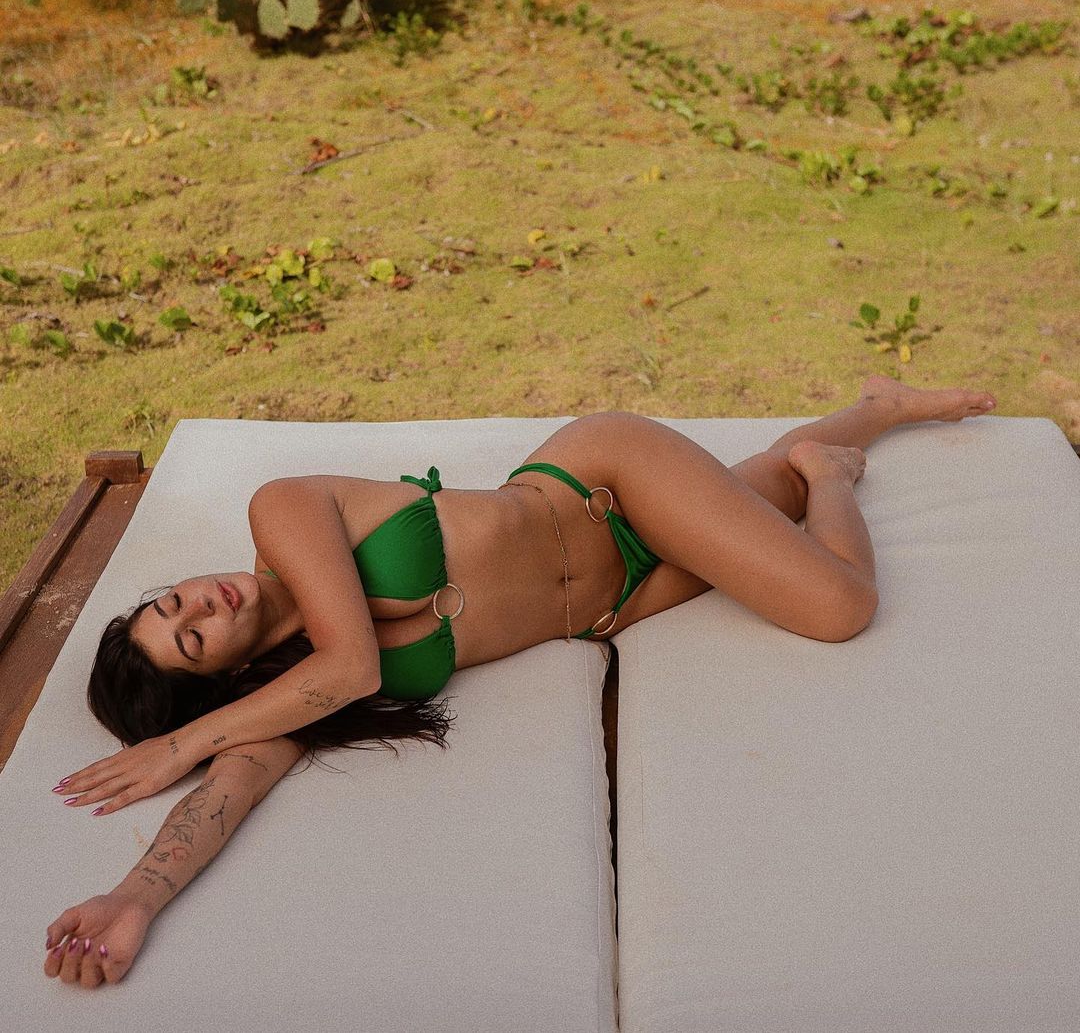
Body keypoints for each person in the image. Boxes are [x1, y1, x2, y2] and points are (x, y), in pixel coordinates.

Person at [44, 372, 996, 987]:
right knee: (762, 499)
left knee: (838, 606)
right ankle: (873, 412)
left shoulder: (282, 514)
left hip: (607, 484)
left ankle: (833, 471)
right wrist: (134, 898)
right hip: (624, 598)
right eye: (195, 640)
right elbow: (227, 793)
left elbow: (355, 662)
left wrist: (181, 740)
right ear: (230, 674)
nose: (202, 603)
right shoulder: (294, 690)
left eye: (173, 603)